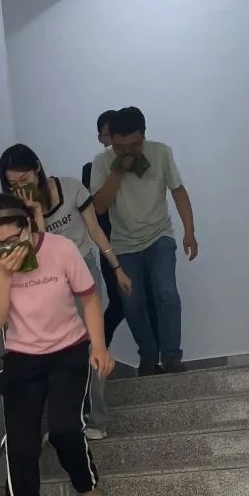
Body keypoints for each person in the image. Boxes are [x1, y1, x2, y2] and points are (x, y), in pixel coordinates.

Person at [0, 195, 115, 496]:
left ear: (28, 226)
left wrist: (99, 346)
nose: (5, 249)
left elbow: (89, 299)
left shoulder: (61, 249)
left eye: (12, 240)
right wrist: (4, 274)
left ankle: (87, 487)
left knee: (65, 428)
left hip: (69, 350)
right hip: (22, 359)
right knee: (20, 448)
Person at [0, 143, 131, 440]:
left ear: (37, 168)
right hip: (47, 282)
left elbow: (95, 231)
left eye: (24, 179)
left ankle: (97, 418)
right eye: (13, 184)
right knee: (57, 352)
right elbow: (40, 256)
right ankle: (66, 420)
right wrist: (34, 214)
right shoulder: (16, 209)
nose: (20, 188)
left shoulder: (70, 188)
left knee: (92, 344)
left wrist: (117, 267)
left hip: (83, 272)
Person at [90, 106, 199, 375]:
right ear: (111, 140)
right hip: (124, 244)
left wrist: (189, 232)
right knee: (132, 303)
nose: (128, 150)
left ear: (144, 135)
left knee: (166, 294)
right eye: (120, 146)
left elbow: (178, 191)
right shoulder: (101, 162)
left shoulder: (161, 152)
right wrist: (118, 171)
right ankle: (148, 356)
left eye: (134, 145)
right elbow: (100, 207)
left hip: (159, 235)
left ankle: (172, 355)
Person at [83, 110, 163, 361]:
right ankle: (97, 349)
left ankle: (155, 359)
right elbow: (96, 211)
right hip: (111, 245)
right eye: (108, 136)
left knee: (152, 298)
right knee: (121, 302)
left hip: (142, 241)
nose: (113, 141)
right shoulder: (93, 168)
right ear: (101, 139)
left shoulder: (143, 161)